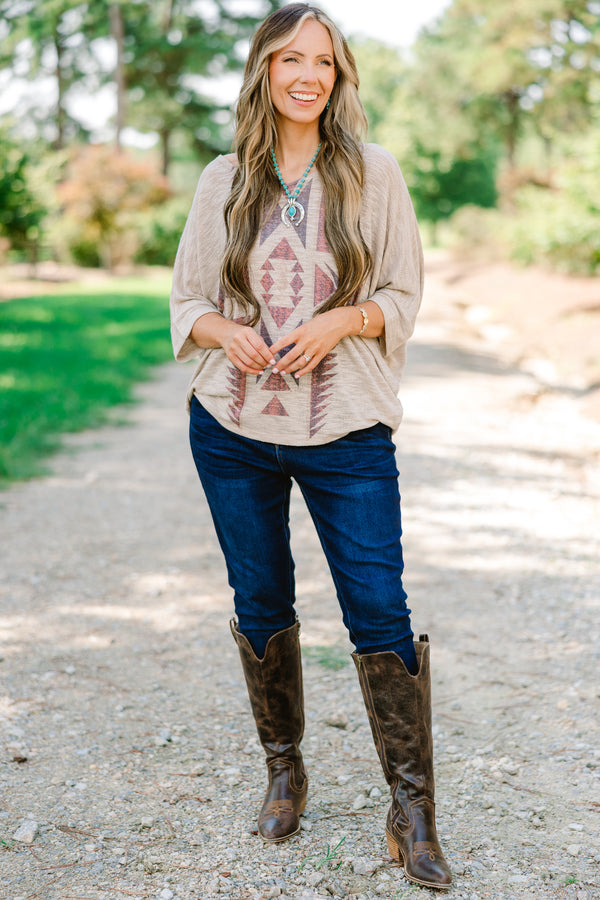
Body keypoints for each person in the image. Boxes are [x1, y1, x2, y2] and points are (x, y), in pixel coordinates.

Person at [170, 3, 452, 890]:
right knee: (260, 600)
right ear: (262, 71)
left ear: (339, 78)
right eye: (290, 60)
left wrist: (342, 321)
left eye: (323, 63)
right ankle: (284, 770)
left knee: (379, 607)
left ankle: (411, 810)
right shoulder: (224, 179)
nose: (307, 76)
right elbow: (186, 304)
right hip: (233, 429)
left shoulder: (374, 172)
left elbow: (403, 294)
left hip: (347, 428)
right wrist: (227, 333)